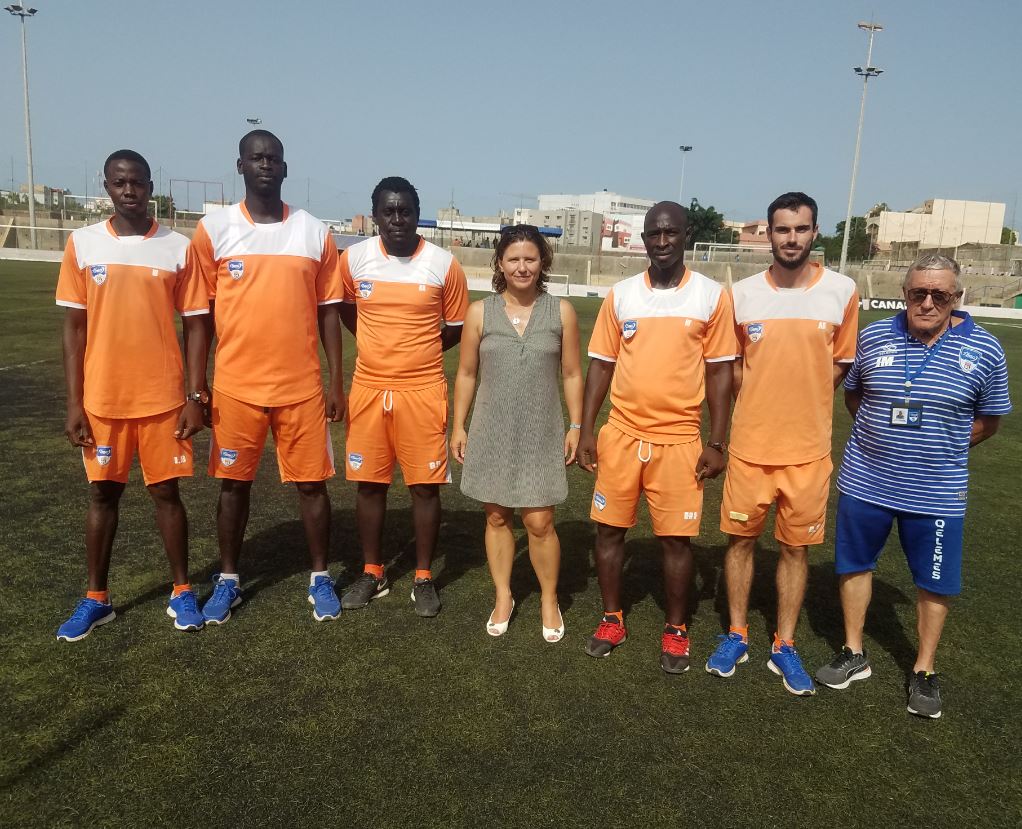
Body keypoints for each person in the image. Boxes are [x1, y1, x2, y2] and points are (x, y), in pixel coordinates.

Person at [815, 254, 1011, 718]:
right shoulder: (875, 335)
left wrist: (940, 448)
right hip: (867, 480)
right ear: (905, 293)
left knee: (933, 582)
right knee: (854, 565)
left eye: (939, 294)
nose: (926, 302)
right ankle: (853, 652)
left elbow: (989, 420)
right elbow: (855, 394)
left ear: (955, 296)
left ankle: (923, 670)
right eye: (917, 292)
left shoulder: (985, 349)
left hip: (937, 490)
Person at [188, 130, 345, 624]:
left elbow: (328, 312)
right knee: (233, 486)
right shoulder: (213, 230)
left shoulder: (314, 232)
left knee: (313, 486)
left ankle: (320, 577)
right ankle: (229, 580)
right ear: (240, 166)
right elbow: (199, 317)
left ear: (284, 166)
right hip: (236, 388)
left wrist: (336, 380)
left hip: (301, 387)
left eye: (272, 158)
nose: (264, 165)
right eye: (255, 157)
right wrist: (196, 388)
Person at [707, 192, 859, 695]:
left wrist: (803, 398)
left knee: (796, 551)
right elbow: (730, 367)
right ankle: (736, 633)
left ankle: (785, 644)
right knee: (741, 543)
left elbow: (840, 364)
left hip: (808, 453)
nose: (790, 238)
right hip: (750, 450)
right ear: (768, 234)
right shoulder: (743, 293)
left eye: (800, 229)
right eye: (781, 229)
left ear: (814, 233)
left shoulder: (842, 290)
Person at [55, 149, 209, 640]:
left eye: (138, 182)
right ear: (107, 186)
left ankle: (182, 591)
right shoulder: (82, 244)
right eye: (120, 182)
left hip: (163, 398)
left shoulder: (177, 248)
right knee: (103, 494)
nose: (129, 190)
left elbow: (196, 326)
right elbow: (74, 330)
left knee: (167, 493)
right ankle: (96, 598)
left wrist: (194, 395)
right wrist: (74, 402)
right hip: (103, 399)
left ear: (149, 187)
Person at [577, 201, 736, 673]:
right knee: (609, 531)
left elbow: (720, 373)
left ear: (686, 235)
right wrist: (586, 428)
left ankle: (676, 629)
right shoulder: (622, 294)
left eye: (670, 233)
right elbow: (601, 364)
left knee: (676, 541)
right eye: (653, 234)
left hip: (680, 440)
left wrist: (718, 440)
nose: (662, 241)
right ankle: (611, 619)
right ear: (643, 240)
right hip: (622, 435)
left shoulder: (710, 296)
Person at [337, 177, 469, 617]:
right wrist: (380, 350)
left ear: (417, 213)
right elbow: (346, 311)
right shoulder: (353, 259)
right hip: (369, 388)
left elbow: (454, 328)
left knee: (425, 488)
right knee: (370, 485)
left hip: (423, 389)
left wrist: (417, 351)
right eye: (388, 211)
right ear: (375, 214)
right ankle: (373, 572)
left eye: (405, 211)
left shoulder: (443, 264)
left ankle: (423, 577)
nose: (397, 219)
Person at [451, 225, 584, 641]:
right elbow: (467, 373)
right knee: (496, 515)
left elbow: (572, 373)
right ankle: (504, 595)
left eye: (530, 258)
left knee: (540, 520)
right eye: (514, 259)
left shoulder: (560, 312)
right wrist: (459, 424)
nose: (522, 266)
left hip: (541, 429)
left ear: (543, 262)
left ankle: (548, 597)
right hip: (492, 427)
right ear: (499, 264)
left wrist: (577, 424)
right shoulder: (480, 312)